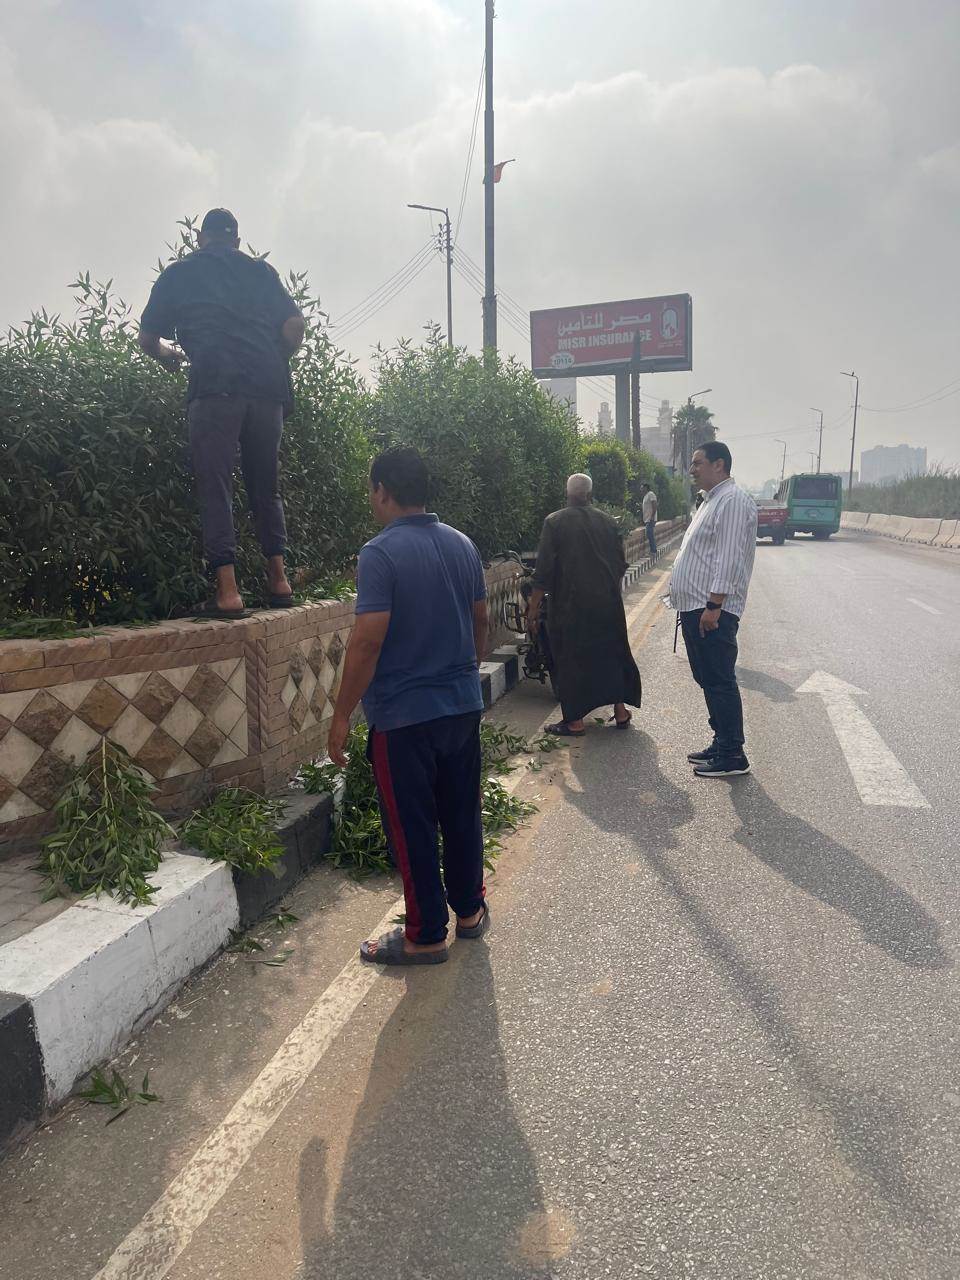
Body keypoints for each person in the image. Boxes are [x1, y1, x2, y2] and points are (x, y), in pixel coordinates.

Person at [327, 447, 489, 966]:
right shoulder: (463, 544)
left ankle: (425, 934)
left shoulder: (380, 553)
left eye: (370, 489)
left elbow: (368, 641)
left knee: (412, 825)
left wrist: (341, 714)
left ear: (382, 491)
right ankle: (470, 911)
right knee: (461, 813)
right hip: (461, 708)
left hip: (404, 719)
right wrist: (463, 675)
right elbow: (481, 620)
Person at [138, 208, 306, 618]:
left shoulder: (180, 273)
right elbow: (294, 327)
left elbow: (147, 338)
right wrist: (272, 359)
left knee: (216, 486)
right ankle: (279, 581)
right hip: (267, 390)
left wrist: (168, 356)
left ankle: (228, 594)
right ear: (236, 241)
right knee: (266, 485)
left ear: (201, 239)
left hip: (214, 386)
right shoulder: (261, 271)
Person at [526, 473, 642, 738]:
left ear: (567, 493)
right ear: (590, 494)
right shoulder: (608, 522)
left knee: (571, 659)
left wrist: (533, 608)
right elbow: (620, 564)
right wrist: (610, 591)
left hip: (571, 605)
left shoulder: (555, 522)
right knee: (611, 654)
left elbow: (543, 571)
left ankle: (575, 721)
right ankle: (620, 711)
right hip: (607, 603)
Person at [669, 441, 758, 777]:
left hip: (711, 609)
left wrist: (714, 605)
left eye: (698, 463)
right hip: (696, 606)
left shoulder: (732, 501)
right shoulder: (712, 501)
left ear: (719, 465)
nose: (692, 469)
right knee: (707, 677)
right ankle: (721, 741)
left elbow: (728, 558)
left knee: (719, 679)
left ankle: (733, 753)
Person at [641, 482, 658, 556]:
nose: (641, 489)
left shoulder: (651, 494)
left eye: (642, 487)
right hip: (647, 519)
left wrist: (652, 516)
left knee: (649, 534)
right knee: (649, 534)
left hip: (650, 519)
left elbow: (654, 504)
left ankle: (653, 551)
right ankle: (653, 550)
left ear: (645, 488)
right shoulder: (645, 496)